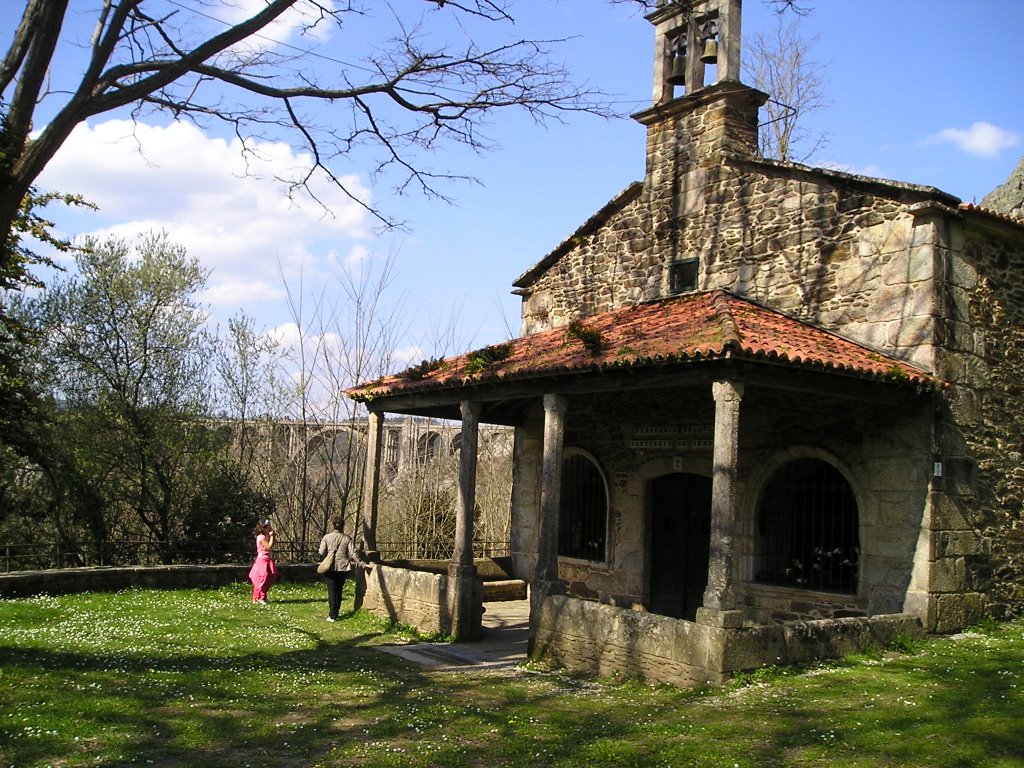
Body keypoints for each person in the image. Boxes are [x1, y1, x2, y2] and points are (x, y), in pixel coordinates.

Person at [317, 516, 372, 622]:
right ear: (343, 526)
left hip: (330, 567)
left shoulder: (326, 537)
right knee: (339, 590)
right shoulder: (347, 538)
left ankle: (333, 615)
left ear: (333, 525)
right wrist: (363, 564)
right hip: (342, 567)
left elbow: (321, 551)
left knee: (332, 590)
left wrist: (329, 554)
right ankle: (335, 612)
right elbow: (353, 554)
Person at [248, 518, 278, 604]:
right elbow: (268, 547)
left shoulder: (267, 536)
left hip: (268, 559)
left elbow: (272, 544)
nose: (269, 527)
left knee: (270, 576)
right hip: (262, 560)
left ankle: (263, 596)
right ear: (263, 528)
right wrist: (272, 536)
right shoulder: (261, 537)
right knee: (262, 578)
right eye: (267, 526)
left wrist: (273, 536)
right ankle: (258, 597)